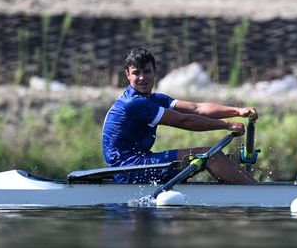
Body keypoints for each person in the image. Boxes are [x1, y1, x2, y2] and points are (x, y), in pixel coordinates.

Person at [102, 47, 257, 184]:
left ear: (155, 71)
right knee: (211, 156)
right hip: (129, 170)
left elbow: (196, 108)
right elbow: (184, 120)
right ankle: (258, 194)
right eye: (136, 73)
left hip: (140, 163)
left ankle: (248, 194)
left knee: (221, 159)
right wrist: (226, 125)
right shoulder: (134, 103)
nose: (142, 78)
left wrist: (237, 111)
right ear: (127, 75)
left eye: (147, 71)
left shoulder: (157, 99)